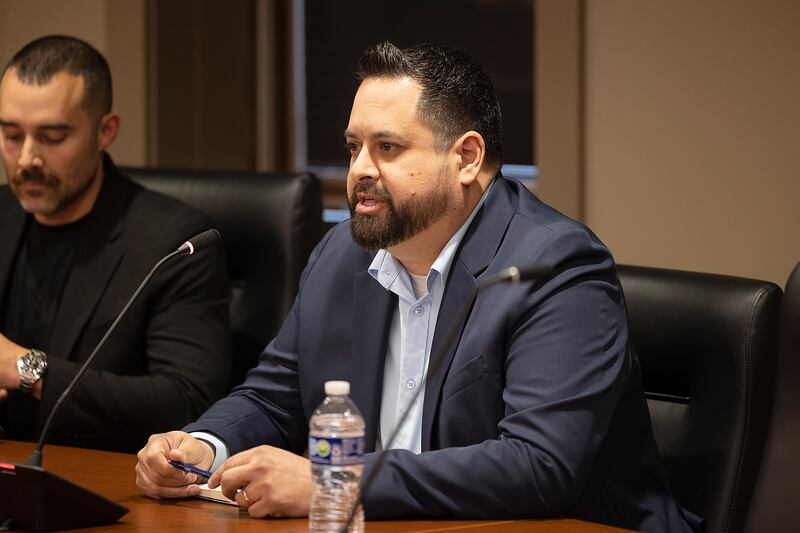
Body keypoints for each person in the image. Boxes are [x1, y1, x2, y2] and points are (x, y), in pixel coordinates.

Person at [135, 42, 700, 532]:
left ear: (467, 158)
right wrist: (202, 446)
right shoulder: (342, 254)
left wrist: (337, 484)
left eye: (388, 147)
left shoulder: (554, 267)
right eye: (354, 147)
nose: (360, 169)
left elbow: (539, 466)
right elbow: (273, 397)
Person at [0, 35, 231, 453]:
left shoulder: (173, 242)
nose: (27, 158)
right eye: (11, 135)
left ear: (105, 131)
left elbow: (188, 401)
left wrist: (25, 369)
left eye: (53, 137)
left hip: (100, 475)